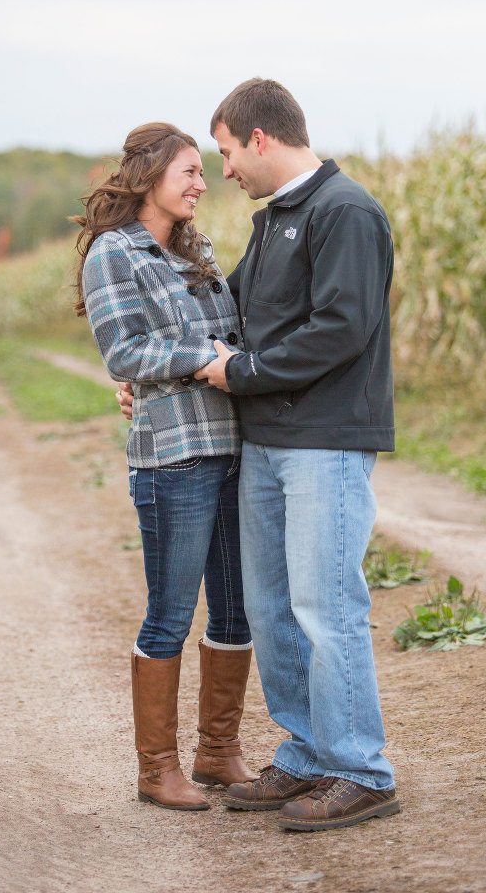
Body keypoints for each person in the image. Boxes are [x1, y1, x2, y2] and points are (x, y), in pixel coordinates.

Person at [118, 79, 400, 832]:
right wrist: (159, 375)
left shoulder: (346, 212)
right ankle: (307, 754)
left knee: (325, 606)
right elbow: (233, 319)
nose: (227, 170)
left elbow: (340, 328)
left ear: (262, 139)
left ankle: (360, 769)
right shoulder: (278, 219)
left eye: (229, 151)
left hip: (325, 443)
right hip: (267, 444)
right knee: (272, 608)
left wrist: (236, 372)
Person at [73, 122, 257, 813]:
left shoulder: (195, 247)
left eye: (205, 171)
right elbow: (125, 355)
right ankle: (157, 769)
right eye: (190, 171)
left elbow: (231, 335)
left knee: (236, 611)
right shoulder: (112, 256)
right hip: (173, 458)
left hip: (231, 448)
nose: (203, 184)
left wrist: (218, 356)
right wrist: (200, 360)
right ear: (152, 174)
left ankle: (218, 752)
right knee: (171, 614)